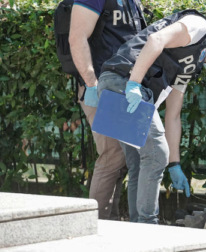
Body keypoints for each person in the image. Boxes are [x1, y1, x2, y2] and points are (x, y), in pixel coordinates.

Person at [97, 9, 206, 224]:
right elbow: (156, 39)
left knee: (138, 160)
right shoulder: (198, 26)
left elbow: (173, 115)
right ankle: (148, 226)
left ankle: (138, 230)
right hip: (124, 83)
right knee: (155, 155)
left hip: (116, 85)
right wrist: (134, 83)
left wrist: (175, 164)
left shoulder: (191, 66)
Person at [68, 0, 147, 220]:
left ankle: (108, 221)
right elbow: (77, 37)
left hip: (122, 88)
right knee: (112, 155)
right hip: (102, 87)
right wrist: (92, 86)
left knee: (122, 158)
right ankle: (95, 223)